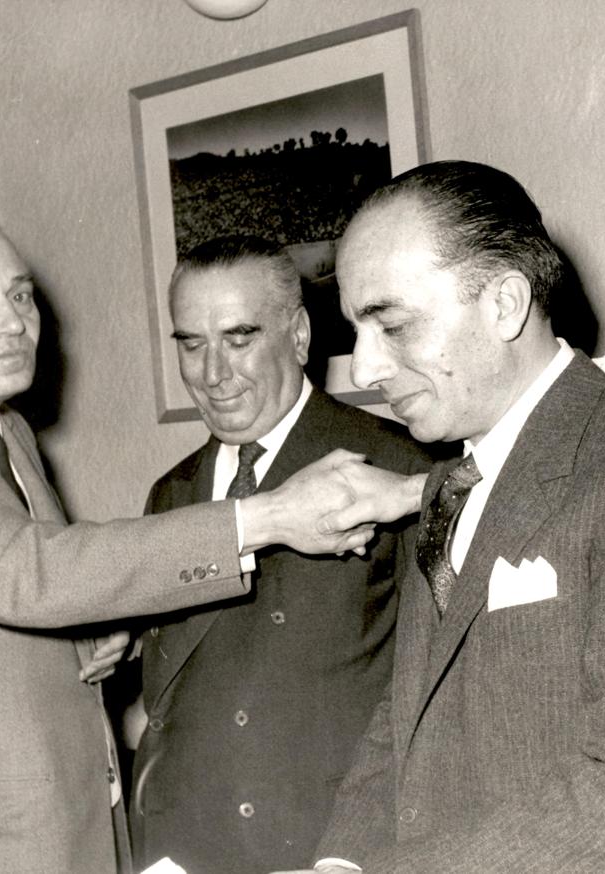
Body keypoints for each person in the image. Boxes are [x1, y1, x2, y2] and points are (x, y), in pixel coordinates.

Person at [0, 209, 407, 874]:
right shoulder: (173, 491)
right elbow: (28, 572)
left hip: (126, 831)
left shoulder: (8, 434)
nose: (14, 322)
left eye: (21, 295)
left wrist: (98, 628)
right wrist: (267, 517)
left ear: (299, 335)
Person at [308, 160, 605, 873]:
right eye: (357, 332)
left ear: (506, 304)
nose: (364, 370)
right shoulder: (451, 483)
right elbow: (406, 719)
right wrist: (341, 863)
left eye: (392, 325)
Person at [127, 236, 434, 874]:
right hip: (181, 852)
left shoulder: (398, 468)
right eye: (191, 344)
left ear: (298, 336)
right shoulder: (170, 493)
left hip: (330, 849)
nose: (213, 374)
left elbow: (432, 698)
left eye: (238, 338)